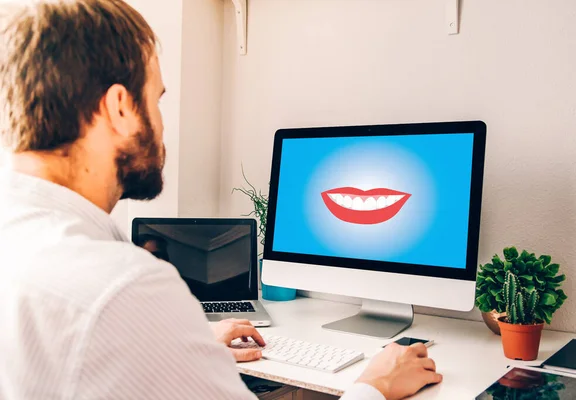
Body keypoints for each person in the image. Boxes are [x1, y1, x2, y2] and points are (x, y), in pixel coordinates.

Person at [0, 1, 443, 399]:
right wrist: (375, 384)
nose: (161, 124)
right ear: (120, 107)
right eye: (156, 100)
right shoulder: (123, 288)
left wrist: (176, 348)